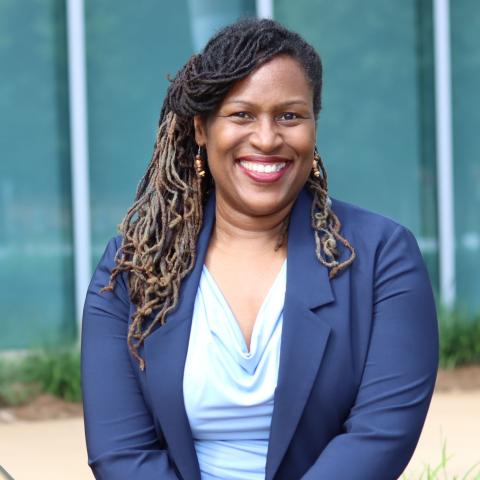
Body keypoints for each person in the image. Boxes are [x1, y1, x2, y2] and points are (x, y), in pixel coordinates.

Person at [81, 17, 438, 480]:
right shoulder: (136, 266)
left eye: (289, 115)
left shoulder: (382, 257)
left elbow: (380, 435)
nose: (267, 138)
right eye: (241, 114)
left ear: (313, 125)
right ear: (202, 128)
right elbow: (121, 452)